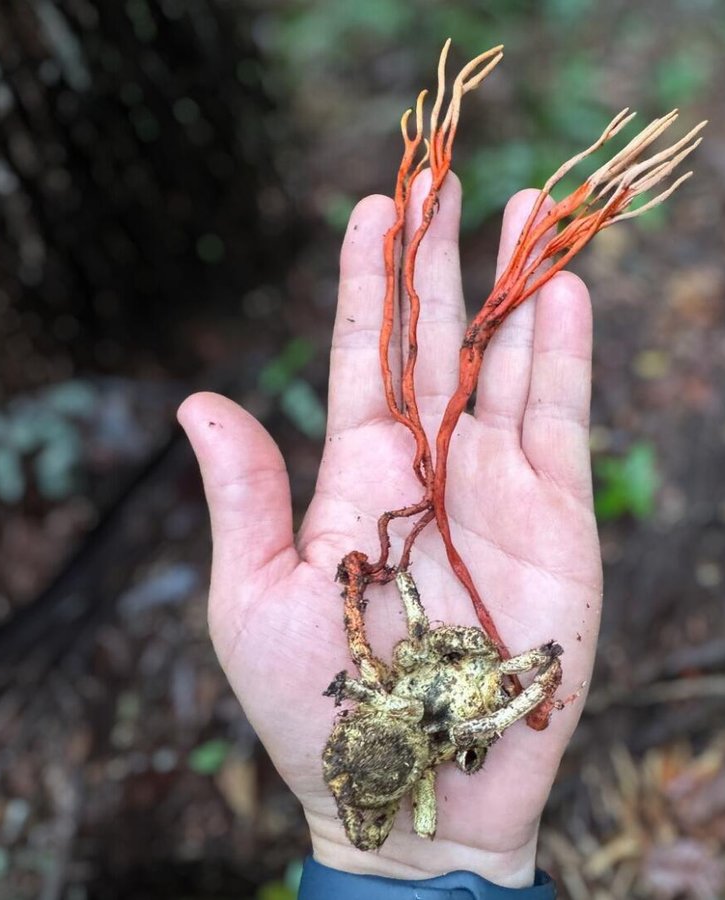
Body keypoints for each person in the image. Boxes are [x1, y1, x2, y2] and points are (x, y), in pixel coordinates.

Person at [177, 174, 603, 898]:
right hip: (454, 699)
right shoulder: (417, 740)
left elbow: (399, 663)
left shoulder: (397, 704)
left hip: (445, 690)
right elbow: (446, 727)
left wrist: (397, 589)